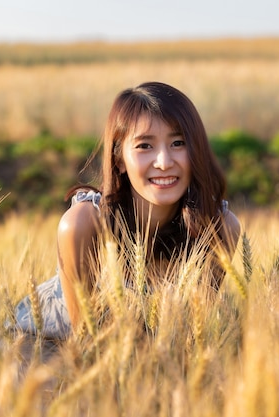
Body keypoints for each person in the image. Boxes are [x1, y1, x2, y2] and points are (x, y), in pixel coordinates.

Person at [14, 81, 241, 340]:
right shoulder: (84, 224)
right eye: (145, 146)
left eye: (178, 143)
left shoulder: (220, 229)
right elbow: (85, 343)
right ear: (120, 159)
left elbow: (190, 338)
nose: (164, 162)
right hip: (43, 351)